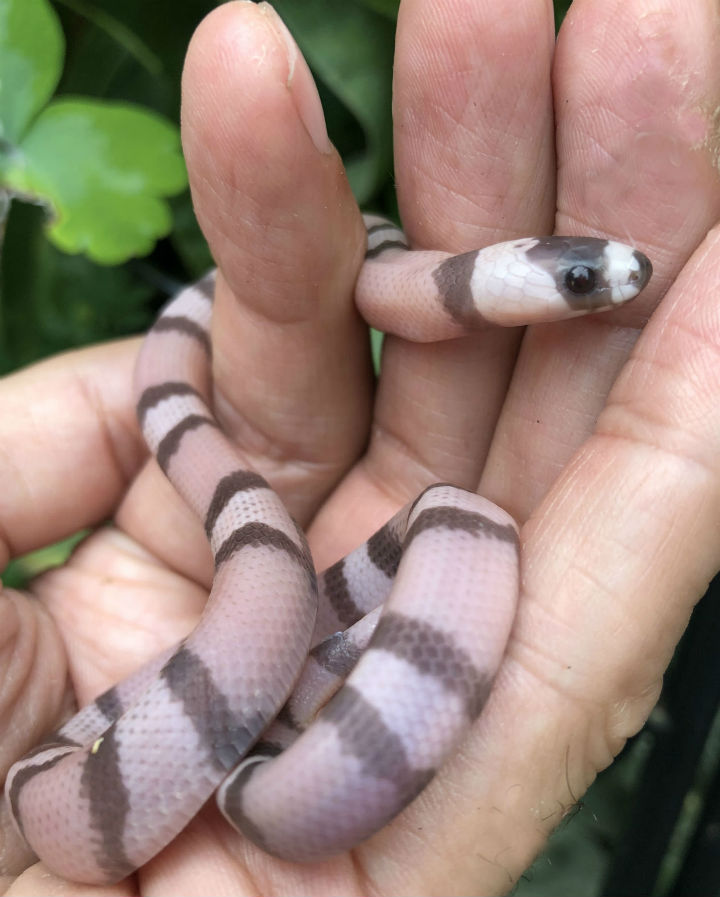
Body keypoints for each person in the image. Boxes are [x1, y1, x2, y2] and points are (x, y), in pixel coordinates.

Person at [2, 0, 720, 893]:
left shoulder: (413, 289)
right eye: (580, 279)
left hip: (214, 725)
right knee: (347, 534)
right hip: (98, 799)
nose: (604, 283)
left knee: (400, 519)